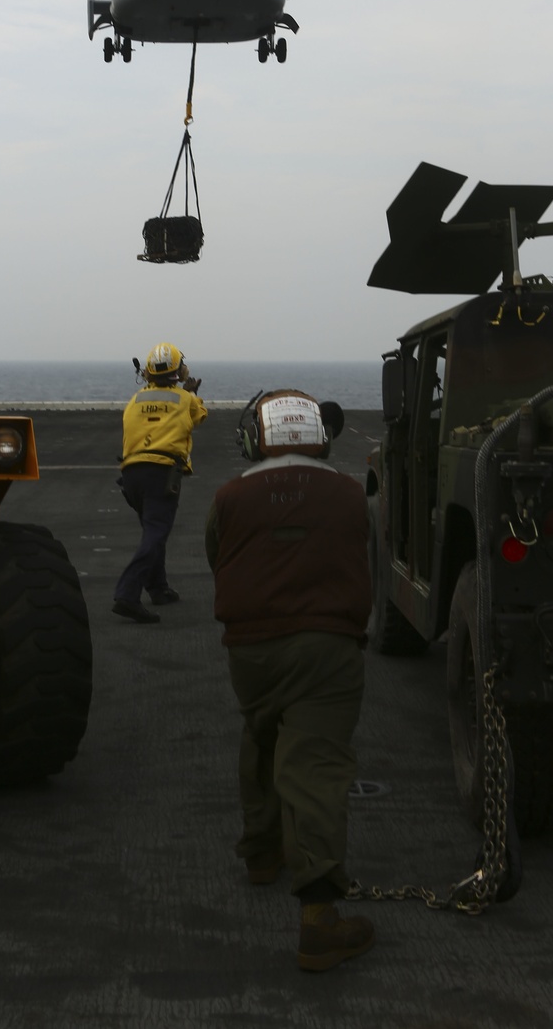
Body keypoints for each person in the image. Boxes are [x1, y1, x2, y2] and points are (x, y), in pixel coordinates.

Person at [205, 389, 374, 972]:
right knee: (315, 768)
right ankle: (321, 921)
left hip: (250, 652)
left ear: (257, 438)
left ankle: (260, 854)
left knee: (262, 731)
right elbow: (365, 554)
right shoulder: (350, 494)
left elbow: (216, 555)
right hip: (327, 649)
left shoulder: (230, 496)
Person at [113, 343, 207, 624]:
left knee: (152, 530)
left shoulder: (135, 399)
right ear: (180, 371)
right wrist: (192, 394)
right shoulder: (185, 398)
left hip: (131, 474)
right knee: (156, 533)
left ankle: (158, 588)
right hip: (162, 473)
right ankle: (127, 595)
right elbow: (200, 416)